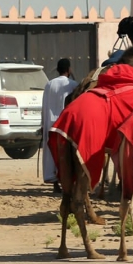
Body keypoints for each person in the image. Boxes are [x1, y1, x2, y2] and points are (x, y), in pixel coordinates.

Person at [41, 58, 78, 191]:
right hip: (65, 124)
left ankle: (55, 182)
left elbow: (44, 106)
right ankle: (66, 180)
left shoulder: (49, 84)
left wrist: (42, 123)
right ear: (68, 69)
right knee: (66, 153)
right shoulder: (73, 84)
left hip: (50, 122)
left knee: (52, 152)